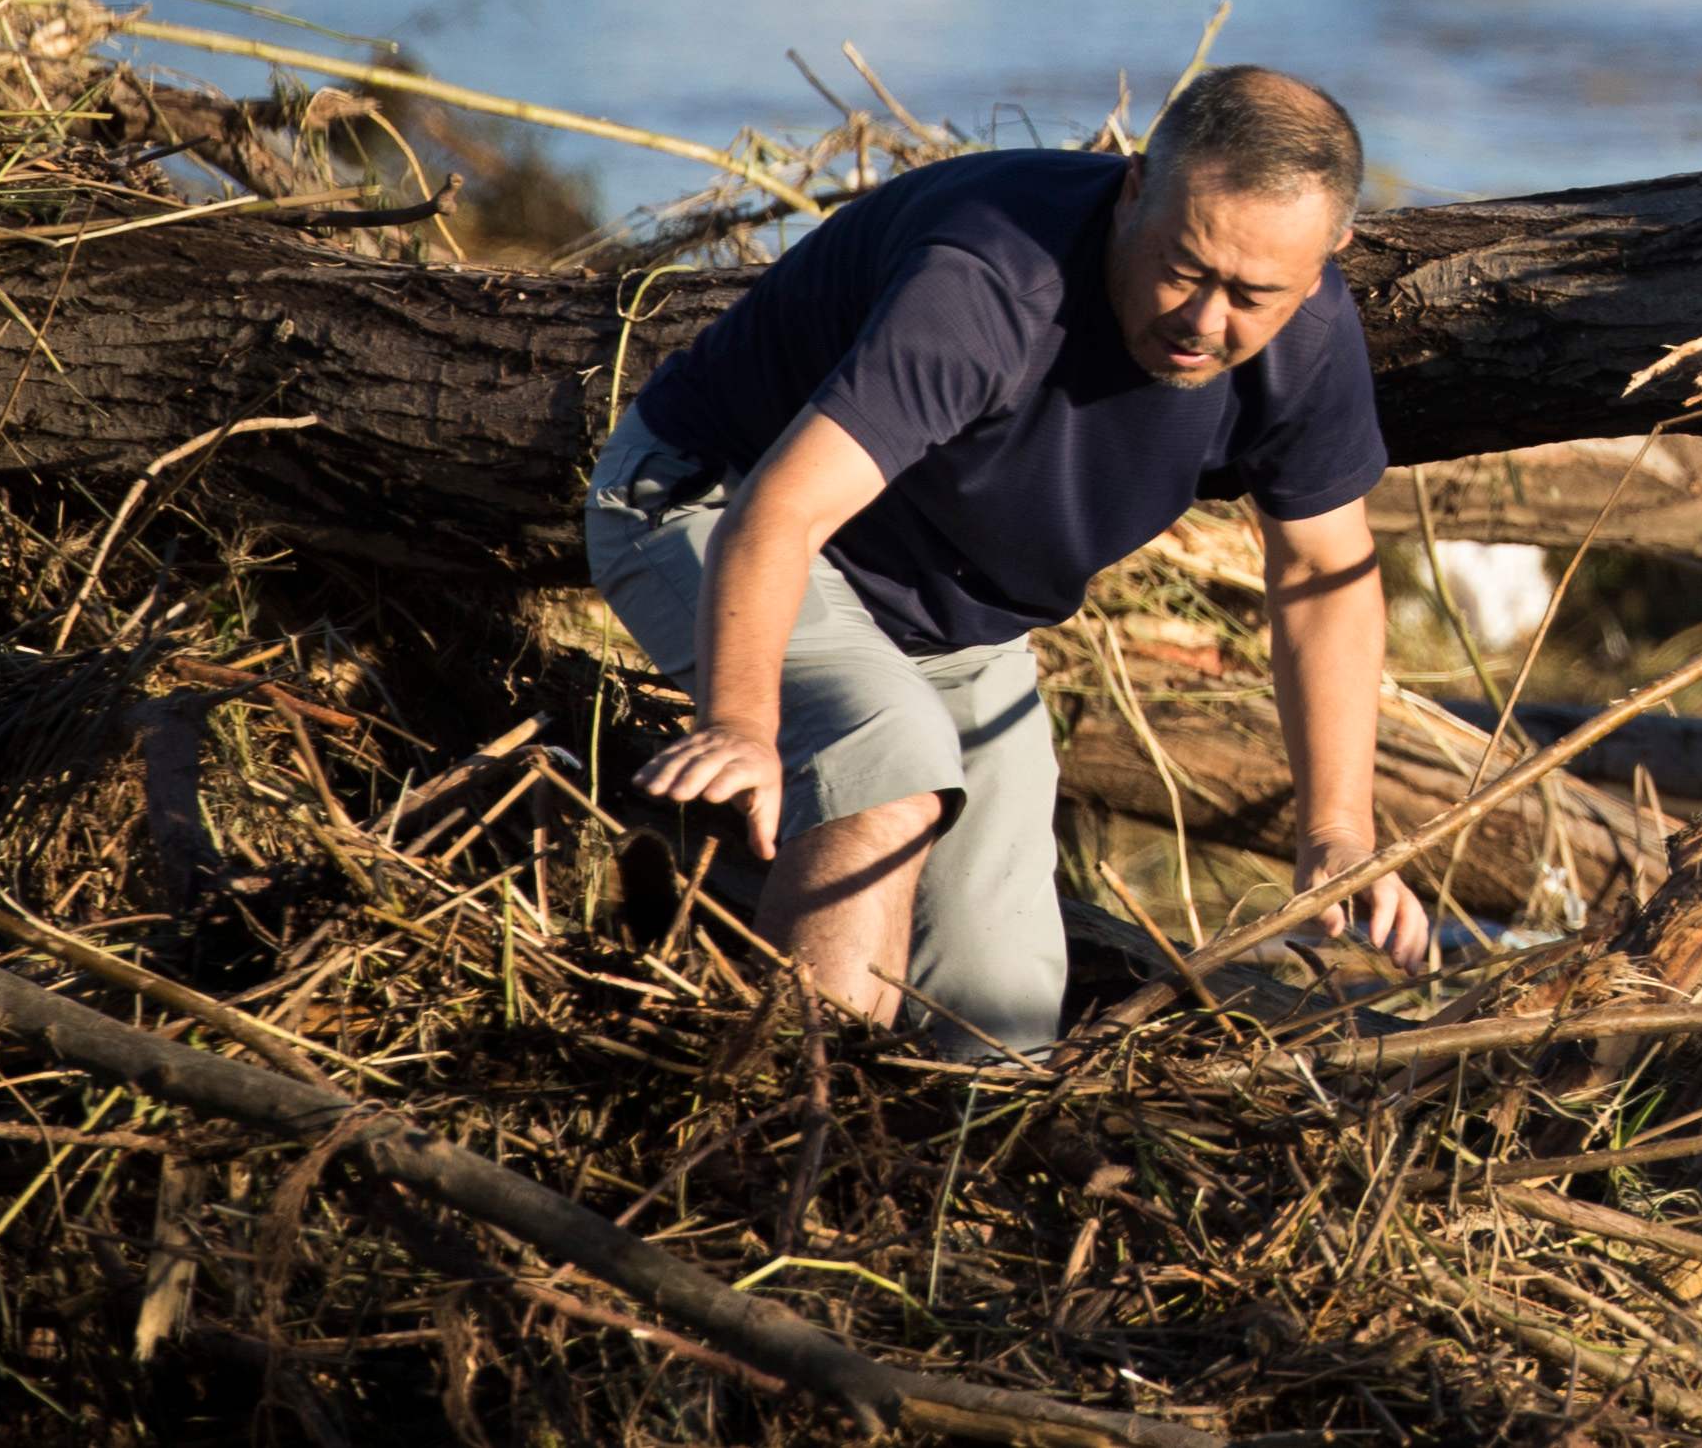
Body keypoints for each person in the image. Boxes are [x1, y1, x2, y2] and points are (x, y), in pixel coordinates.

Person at [584, 66, 1432, 1057]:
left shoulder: (1313, 337)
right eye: (1182, 266)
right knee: (884, 769)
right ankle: (774, 1141)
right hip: (708, 503)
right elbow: (780, 512)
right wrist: (743, 724)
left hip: (959, 621)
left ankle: (915, 1194)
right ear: (1131, 190)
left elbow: (1322, 578)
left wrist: (1336, 829)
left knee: (1000, 1012)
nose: (1205, 321)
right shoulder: (989, 279)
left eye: (1252, 294)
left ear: (1331, 253)